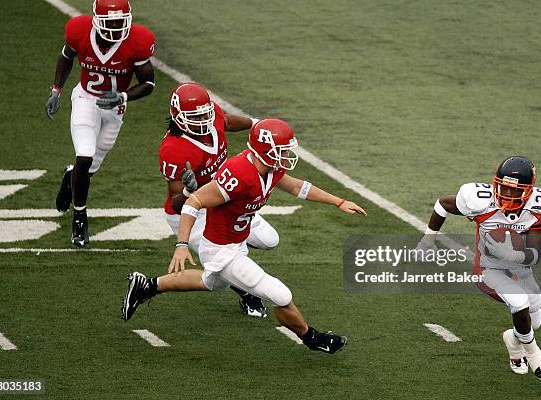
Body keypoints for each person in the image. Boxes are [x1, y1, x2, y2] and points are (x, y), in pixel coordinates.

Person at [122, 119, 367, 354]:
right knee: (281, 295)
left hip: (236, 239)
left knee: (212, 283)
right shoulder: (239, 173)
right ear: (265, 150)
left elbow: (296, 187)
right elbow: (193, 202)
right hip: (220, 248)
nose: (286, 155)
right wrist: (182, 244)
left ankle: (147, 286)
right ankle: (312, 338)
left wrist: (339, 201)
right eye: (281, 150)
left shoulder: (269, 168)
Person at [416, 156, 541, 382]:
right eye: (503, 188)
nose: (508, 195)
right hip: (487, 269)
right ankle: (534, 355)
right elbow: (443, 204)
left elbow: (535, 255)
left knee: (535, 320)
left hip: (520, 269)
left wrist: (515, 255)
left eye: (516, 191)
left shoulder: (540, 208)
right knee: (519, 302)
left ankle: (513, 343)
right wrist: (427, 241)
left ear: (530, 190)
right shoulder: (480, 201)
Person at [159, 82, 280, 317]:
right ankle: (248, 294)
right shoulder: (173, 149)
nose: (203, 119)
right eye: (195, 116)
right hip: (192, 211)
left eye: (205, 112)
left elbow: (225, 121)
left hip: (223, 198)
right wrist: (187, 192)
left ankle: (236, 246)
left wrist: (255, 124)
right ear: (178, 117)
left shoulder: (211, 115)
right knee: (224, 268)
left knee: (269, 239)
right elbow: (176, 201)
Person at [45, 0, 156, 247]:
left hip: (114, 110)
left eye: (120, 22)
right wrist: (56, 90)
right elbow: (66, 56)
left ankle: (70, 176)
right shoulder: (79, 31)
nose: (116, 28)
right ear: (97, 19)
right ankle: (80, 218)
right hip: (86, 98)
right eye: (111, 22)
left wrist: (123, 97)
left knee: (90, 167)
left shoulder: (137, 41)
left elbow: (148, 82)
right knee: (85, 154)